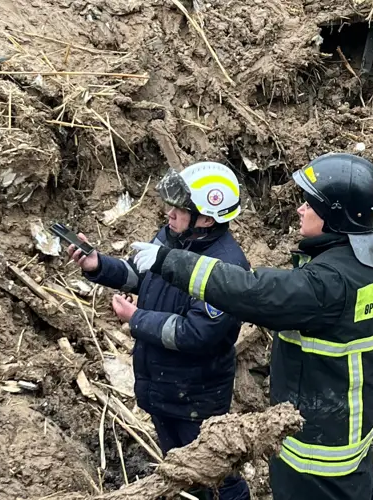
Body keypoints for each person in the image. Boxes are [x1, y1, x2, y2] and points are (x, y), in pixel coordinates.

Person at [127, 153, 373, 500]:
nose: (301, 210)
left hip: (318, 443)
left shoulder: (330, 283)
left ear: (335, 217)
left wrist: (170, 262)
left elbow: (256, 293)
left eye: (310, 205)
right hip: (355, 419)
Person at [67, 162, 251, 500]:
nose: (169, 213)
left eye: (179, 208)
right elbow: (141, 275)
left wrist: (136, 318)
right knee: (181, 471)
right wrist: (97, 265)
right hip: (161, 389)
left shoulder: (227, 268)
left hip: (196, 399)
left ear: (207, 219)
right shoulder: (174, 235)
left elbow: (198, 333)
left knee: (218, 478)